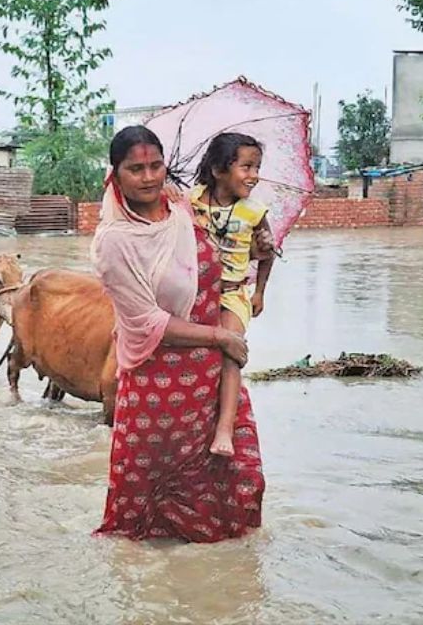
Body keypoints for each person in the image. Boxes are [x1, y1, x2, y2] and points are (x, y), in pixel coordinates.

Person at [91, 125, 264, 542]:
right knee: (145, 512)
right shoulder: (115, 242)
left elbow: (226, 263)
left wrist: (257, 250)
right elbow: (145, 321)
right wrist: (221, 339)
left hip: (210, 379)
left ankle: (224, 589)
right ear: (115, 175)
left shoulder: (184, 212)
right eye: (136, 169)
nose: (149, 177)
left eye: (156, 165)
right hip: (157, 390)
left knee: (241, 481)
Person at [189, 133, 276, 457]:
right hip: (195, 293)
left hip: (232, 293)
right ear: (218, 170)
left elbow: (268, 254)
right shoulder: (193, 201)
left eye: (257, 167)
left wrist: (260, 292)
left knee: (230, 347)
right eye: (246, 167)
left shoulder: (255, 212)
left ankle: (224, 428)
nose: (254, 175)